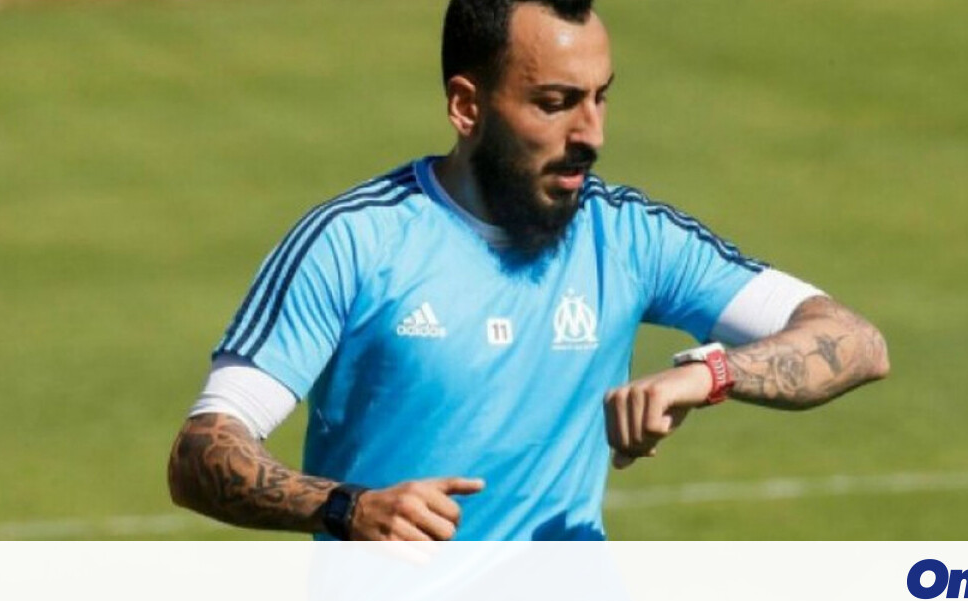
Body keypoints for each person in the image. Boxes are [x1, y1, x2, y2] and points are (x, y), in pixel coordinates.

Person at [167, 0, 889, 541]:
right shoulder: (355, 241)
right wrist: (349, 507)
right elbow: (202, 451)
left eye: (601, 97)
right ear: (466, 106)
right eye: (555, 104)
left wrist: (710, 374)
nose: (591, 134)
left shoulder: (626, 236)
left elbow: (856, 342)